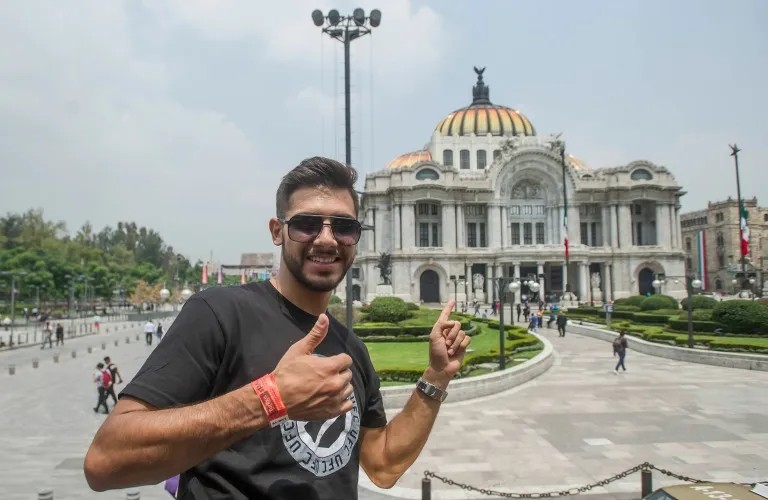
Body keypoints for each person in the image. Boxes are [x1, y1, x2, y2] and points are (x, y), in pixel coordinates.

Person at [84, 157, 472, 499]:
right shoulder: (221, 313)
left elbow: (383, 466)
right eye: (306, 224)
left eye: (343, 227)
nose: (326, 238)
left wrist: (435, 377)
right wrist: (271, 399)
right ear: (277, 231)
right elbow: (107, 460)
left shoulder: (351, 348)